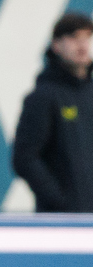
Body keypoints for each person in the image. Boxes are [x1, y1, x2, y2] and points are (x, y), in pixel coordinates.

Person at [13, 11, 93, 213]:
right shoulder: (43, 97)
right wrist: (62, 202)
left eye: (87, 37)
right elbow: (25, 158)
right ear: (56, 45)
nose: (82, 45)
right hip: (61, 225)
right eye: (74, 38)